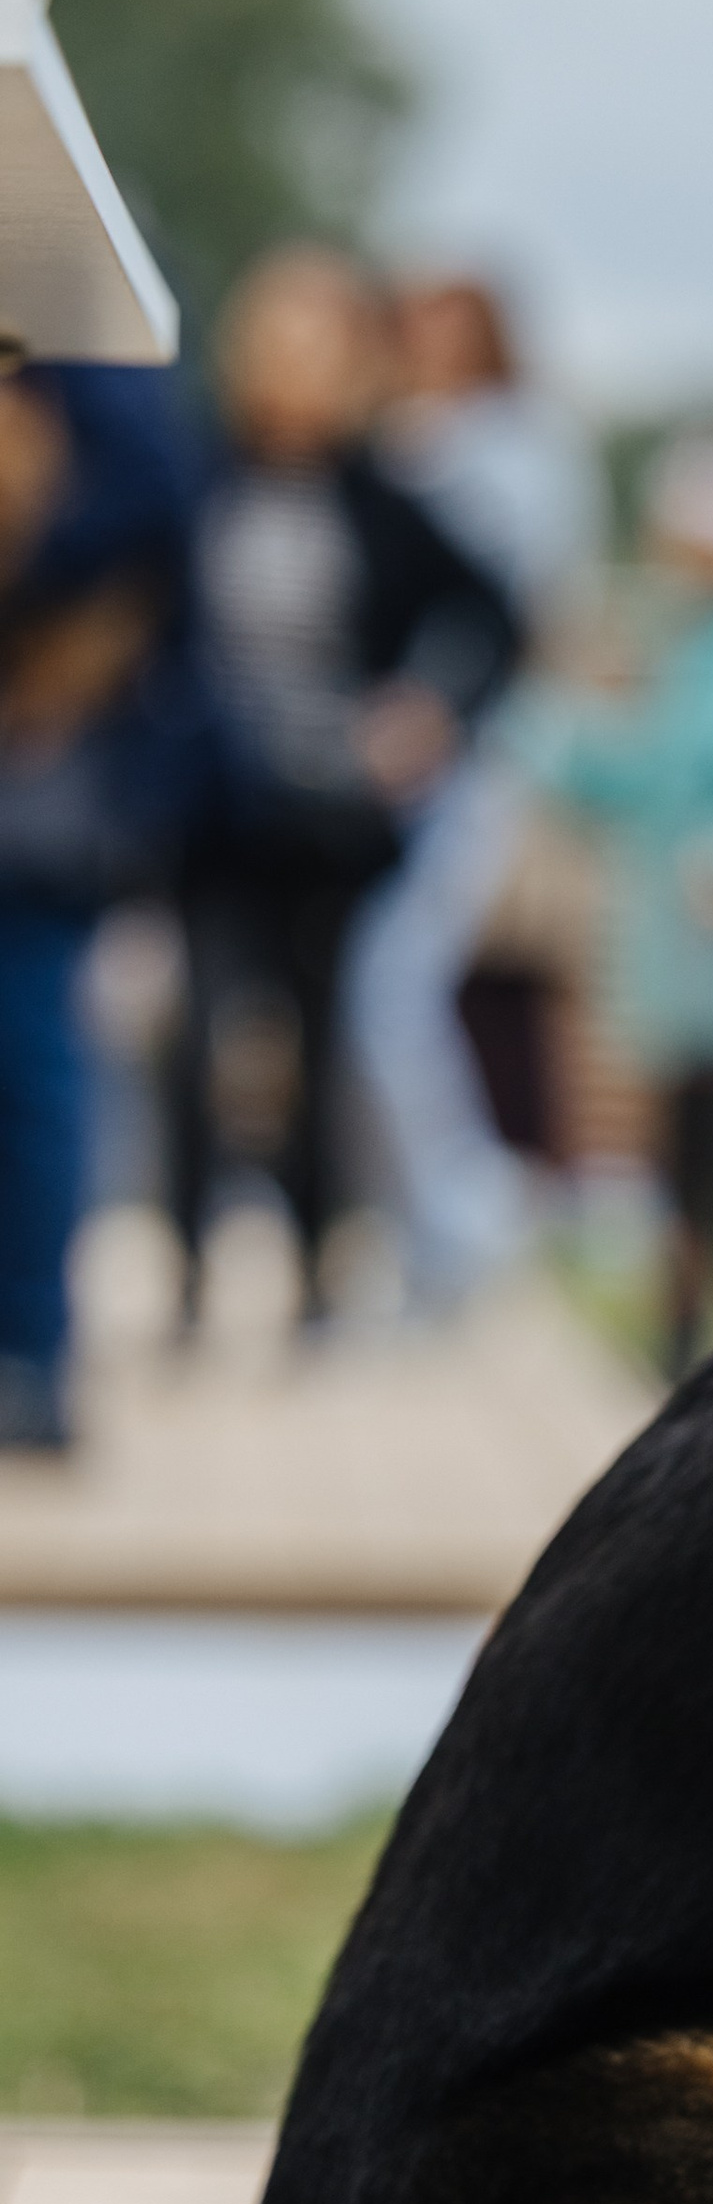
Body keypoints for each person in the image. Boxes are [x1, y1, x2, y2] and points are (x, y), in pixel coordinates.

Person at [171, 248, 519, 1330]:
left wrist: (426, 712)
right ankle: (189, 1278)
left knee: (321, 1048)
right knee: (196, 1035)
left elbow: (495, 617)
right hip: (213, 809)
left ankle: (317, 1277)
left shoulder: (379, 497)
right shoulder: (201, 478)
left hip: (332, 822)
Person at [512, 433, 713, 1372]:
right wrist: (553, 741)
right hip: (683, 952)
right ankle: (691, 1342)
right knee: (686, 1159)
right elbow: (639, 773)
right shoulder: (687, 644)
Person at [344, 274, 604, 1310]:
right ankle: (427, 1230)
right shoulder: (394, 432)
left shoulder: (518, 448)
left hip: (472, 756)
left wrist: (440, 709)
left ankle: (466, 1219)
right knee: (393, 999)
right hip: (377, 760)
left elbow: (523, 605)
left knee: (395, 988)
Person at [0, 361, 203, 1443]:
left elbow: (158, 496)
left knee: (33, 1069)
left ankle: (32, 1360)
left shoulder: (77, 328)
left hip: (43, 771)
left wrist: (36, 566)